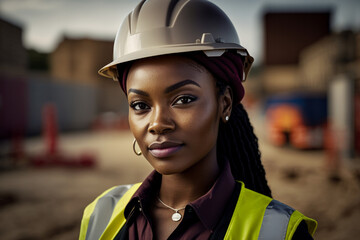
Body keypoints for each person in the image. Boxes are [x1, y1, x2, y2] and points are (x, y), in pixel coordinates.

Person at [79, 0, 317, 239]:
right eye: (140, 105)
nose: (158, 124)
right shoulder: (100, 214)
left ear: (224, 103)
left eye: (183, 100)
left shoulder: (279, 232)